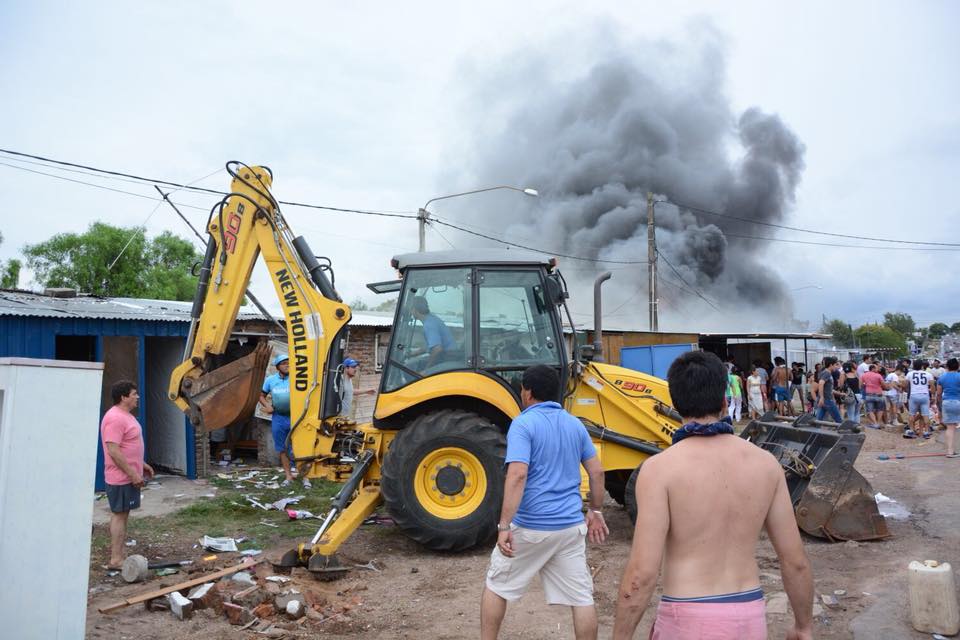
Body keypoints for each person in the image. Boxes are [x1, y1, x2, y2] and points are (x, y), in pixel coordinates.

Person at [612, 351, 813, 640]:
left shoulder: (659, 470)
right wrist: (803, 626)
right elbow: (795, 560)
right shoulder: (766, 464)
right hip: (749, 616)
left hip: (687, 618)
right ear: (724, 401)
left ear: (674, 404)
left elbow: (641, 574)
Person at [481, 365, 608, 640]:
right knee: (582, 598)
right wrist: (595, 510)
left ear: (528, 392)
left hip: (531, 528)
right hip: (570, 529)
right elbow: (597, 472)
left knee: (496, 585)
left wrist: (504, 526)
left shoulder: (523, 424)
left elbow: (517, 475)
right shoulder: (575, 424)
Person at [101, 380, 154, 570]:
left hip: (128, 475)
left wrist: (141, 464)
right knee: (120, 515)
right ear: (124, 397)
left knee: (123, 514)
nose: (137, 397)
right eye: (134, 394)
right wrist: (133, 474)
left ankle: (120, 554)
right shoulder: (115, 418)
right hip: (121, 477)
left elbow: (128, 446)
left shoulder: (126, 416)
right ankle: (116, 559)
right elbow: (114, 451)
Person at [259, 354, 311, 489]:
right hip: (279, 417)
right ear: (277, 367)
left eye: (289, 363)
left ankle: (305, 477)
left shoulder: (297, 378)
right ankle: (288, 476)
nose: (287, 365)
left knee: (301, 448)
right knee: (282, 448)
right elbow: (261, 395)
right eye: (284, 363)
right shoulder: (270, 380)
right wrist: (267, 406)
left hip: (297, 418)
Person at [410, 296, 456, 369]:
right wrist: (412, 354)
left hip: (447, 358)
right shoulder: (431, 318)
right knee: (415, 363)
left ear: (414, 309)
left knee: (412, 368)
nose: (410, 312)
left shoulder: (429, 324)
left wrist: (427, 369)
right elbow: (430, 346)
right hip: (448, 355)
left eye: (411, 309)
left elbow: (437, 349)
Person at [937, 358, 960, 458]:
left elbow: (938, 394)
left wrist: (939, 404)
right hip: (958, 401)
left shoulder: (942, 377)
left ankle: (950, 452)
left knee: (950, 428)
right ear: (958, 366)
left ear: (947, 367)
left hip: (946, 402)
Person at [906, 359, 934, 439]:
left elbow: (906, 384)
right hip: (925, 395)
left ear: (913, 366)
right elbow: (932, 386)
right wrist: (933, 396)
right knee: (925, 415)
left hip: (914, 395)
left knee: (912, 414)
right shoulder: (928, 374)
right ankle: (926, 432)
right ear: (922, 366)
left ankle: (911, 431)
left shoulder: (910, 374)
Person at [817, 357, 843, 422]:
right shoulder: (827, 373)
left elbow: (829, 388)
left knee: (818, 420)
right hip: (827, 400)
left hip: (825, 400)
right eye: (835, 365)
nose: (836, 367)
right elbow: (821, 383)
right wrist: (822, 397)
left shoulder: (826, 372)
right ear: (831, 365)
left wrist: (840, 393)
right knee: (838, 420)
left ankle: (814, 431)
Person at [861, 364, 887, 428]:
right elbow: (884, 385)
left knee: (870, 410)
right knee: (880, 409)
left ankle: (875, 423)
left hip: (869, 394)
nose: (878, 369)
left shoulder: (864, 375)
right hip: (878, 394)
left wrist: (866, 385)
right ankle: (878, 422)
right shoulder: (878, 375)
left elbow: (861, 385)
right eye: (876, 368)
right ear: (872, 369)